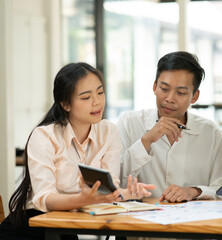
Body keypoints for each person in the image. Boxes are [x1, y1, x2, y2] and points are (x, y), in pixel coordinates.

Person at [0, 62, 155, 240]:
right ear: (65, 104)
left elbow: (107, 188)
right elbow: (45, 199)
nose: (97, 102)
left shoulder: (108, 132)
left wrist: (126, 194)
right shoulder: (44, 136)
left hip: (65, 225)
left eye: (100, 92)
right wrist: (84, 199)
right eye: (86, 97)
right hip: (31, 225)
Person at [117, 51, 222, 203]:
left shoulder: (211, 133)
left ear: (195, 96)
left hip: (192, 222)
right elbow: (115, 181)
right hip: (141, 221)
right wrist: (146, 141)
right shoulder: (129, 123)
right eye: (164, 89)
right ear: (154, 87)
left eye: (181, 92)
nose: (170, 99)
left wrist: (194, 191)